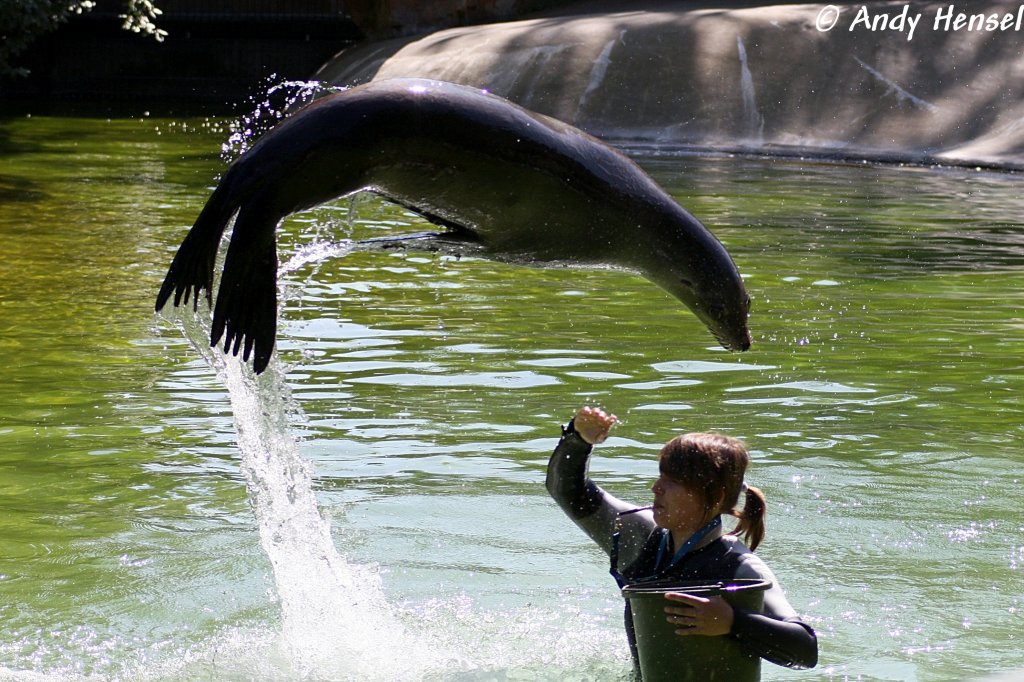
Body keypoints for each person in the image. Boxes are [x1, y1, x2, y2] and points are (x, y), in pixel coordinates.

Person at [546, 406, 818, 677]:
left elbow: (805, 650)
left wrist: (733, 622)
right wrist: (578, 440)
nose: (656, 487)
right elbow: (566, 492)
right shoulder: (639, 537)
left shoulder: (739, 567)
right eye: (661, 475)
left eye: (673, 481)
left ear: (716, 495)